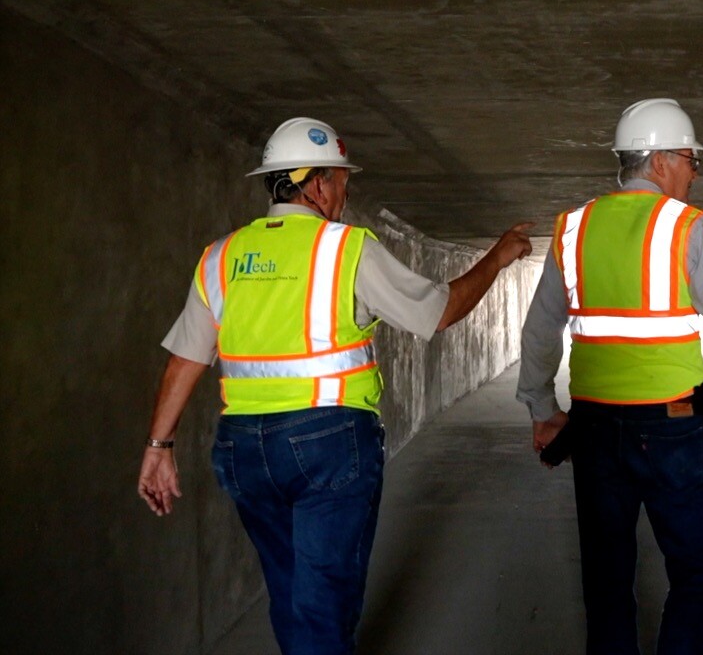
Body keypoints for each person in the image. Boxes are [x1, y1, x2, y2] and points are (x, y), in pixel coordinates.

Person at [136, 117, 532, 655]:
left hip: (244, 451)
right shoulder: (345, 249)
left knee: (290, 592)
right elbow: (440, 312)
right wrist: (498, 258)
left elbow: (185, 360)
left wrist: (159, 446)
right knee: (323, 604)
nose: (346, 191)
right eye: (343, 180)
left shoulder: (221, 257)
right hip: (326, 442)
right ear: (318, 184)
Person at [517, 98, 703, 654]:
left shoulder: (573, 229)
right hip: (674, 426)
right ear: (658, 163)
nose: (694, 173)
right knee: (696, 572)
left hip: (596, 429)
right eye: (689, 160)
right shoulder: (687, 227)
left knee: (607, 582)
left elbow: (540, 331)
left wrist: (542, 409)